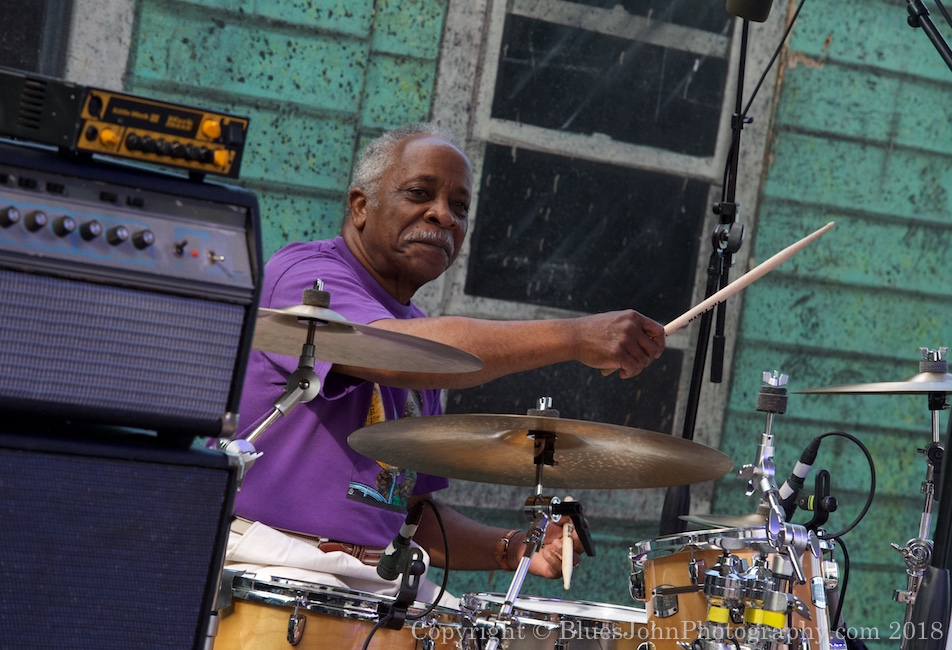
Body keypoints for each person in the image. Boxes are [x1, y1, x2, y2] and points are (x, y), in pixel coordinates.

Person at [221, 123, 666, 608]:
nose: (444, 215)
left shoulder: (422, 336)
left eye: (460, 206)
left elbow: (409, 512)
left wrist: (515, 547)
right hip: (271, 562)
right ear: (361, 206)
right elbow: (398, 353)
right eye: (419, 193)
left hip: (371, 576)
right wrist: (575, 337)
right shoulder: (310, 280)